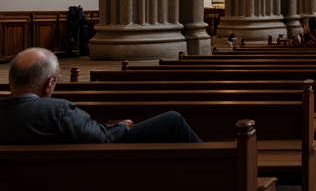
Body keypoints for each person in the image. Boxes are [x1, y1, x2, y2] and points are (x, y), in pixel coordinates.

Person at [0, 47, 202, 144]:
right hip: (95, 168)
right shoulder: (58, 110)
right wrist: (123, 125)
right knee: (173, 120)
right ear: (49, 84)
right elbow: (102, 139)